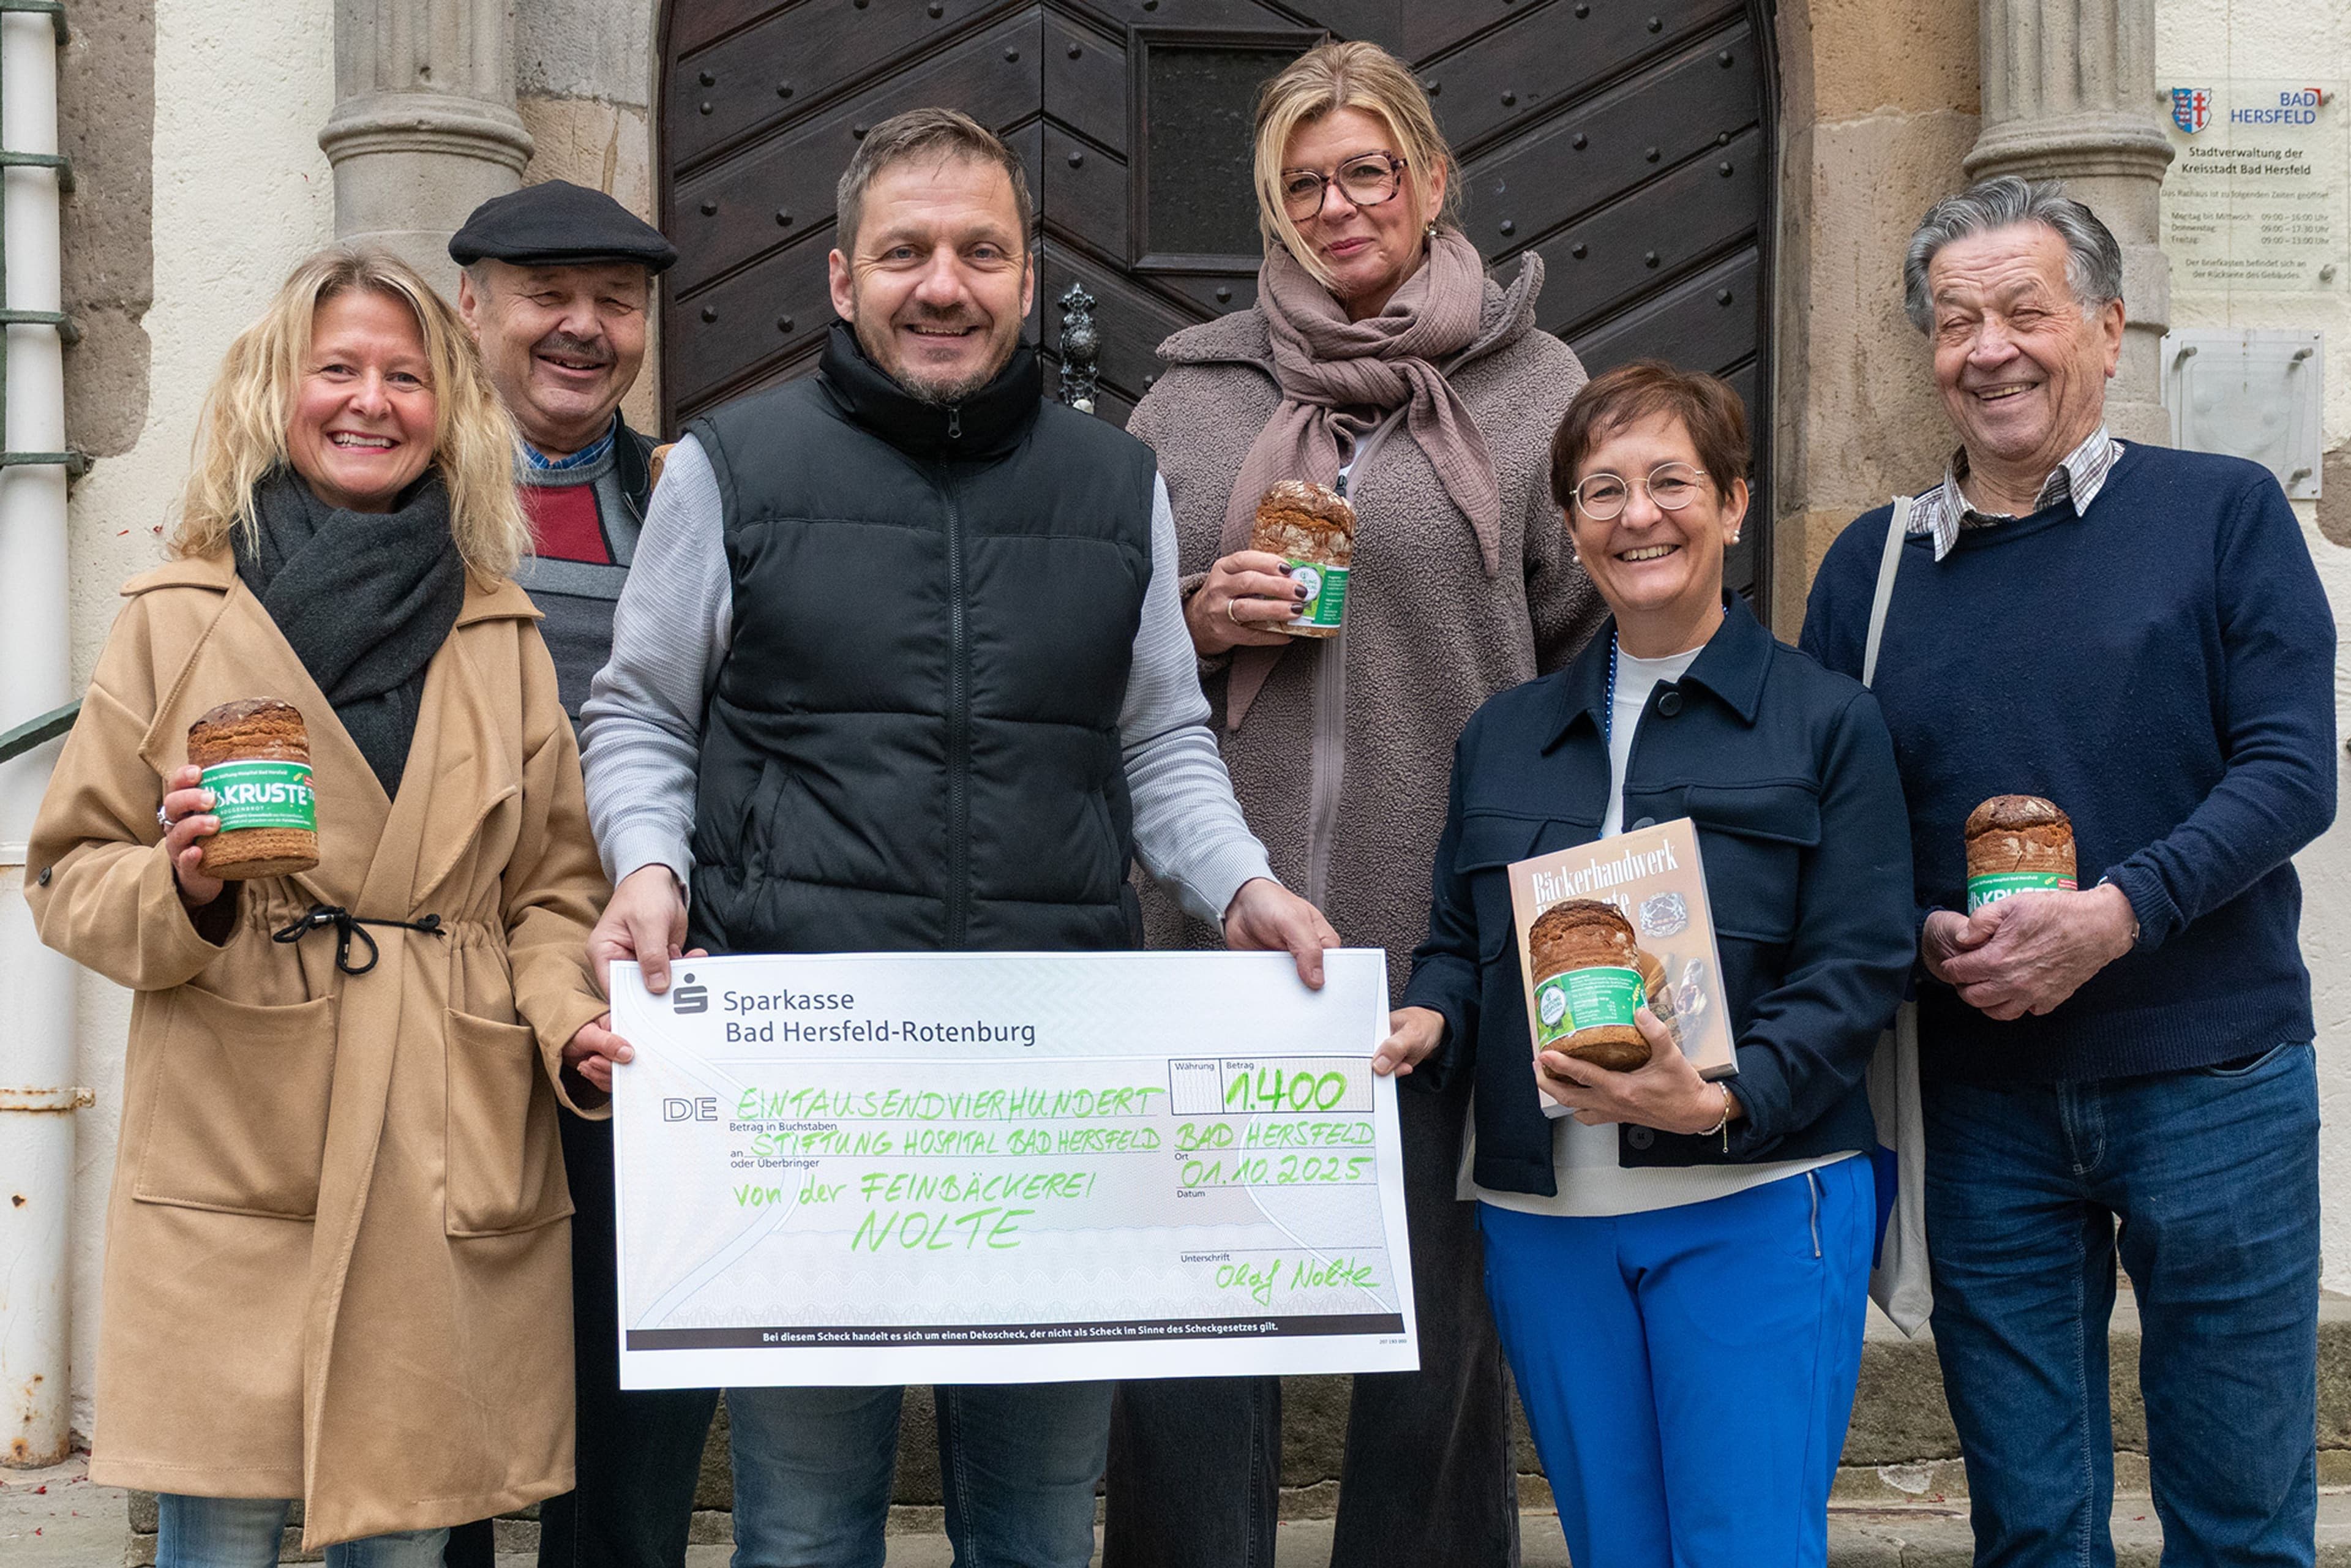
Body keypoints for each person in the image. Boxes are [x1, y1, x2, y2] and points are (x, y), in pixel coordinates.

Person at [577, 107, 1337, 1568]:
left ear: (1025, 272)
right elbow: (643, 715)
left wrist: (1243, 886)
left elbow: (1159, 737)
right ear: (842, 278)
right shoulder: (725, 470)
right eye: (908, 251)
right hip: (808, 1088)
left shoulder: (1115, 486)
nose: (946, 284)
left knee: (1043, 1532)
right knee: (802, 1531)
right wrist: (649, 869)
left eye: (981, 252)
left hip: (1051, 1093)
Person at [22, 247, 628, 1566]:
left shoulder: (498, 629)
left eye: (405, 376)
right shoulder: (177, 615)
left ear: (446, 408)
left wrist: (569, 1018)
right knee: (221, 1527)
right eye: (337, 368)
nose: (371, 401)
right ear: (275, 391)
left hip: (442, 1121)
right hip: (241, 1126)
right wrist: (181, 883)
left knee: (409, 1537)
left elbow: (551, 891)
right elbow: (69, 875)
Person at [1103, 40, 1605, 1567]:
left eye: (1367, 171)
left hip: (1438, 939)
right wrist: (1195, 614)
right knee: (1197, 1339)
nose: (1338, 206)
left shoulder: (1540, 389)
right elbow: (1103, 652)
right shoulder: (1188, 399)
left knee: (1436, 1346)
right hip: (1216, 936)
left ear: (1433, 180)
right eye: (1302, 183)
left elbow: (1589, 653)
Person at [1801, 176, 2337, 1566]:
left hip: (2212, 1074)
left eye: (2025, 312)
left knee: (2240, 1516)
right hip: (1985, 1101)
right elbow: (1835, 822)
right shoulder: (1875, 567)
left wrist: (2116, 917)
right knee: (2034, 1524)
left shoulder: (2222, 515)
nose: (1991, 348)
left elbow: (2290, 773)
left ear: (2107, 327)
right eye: (1956, 319)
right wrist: (1919, 933)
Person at [1377, 361, 1914, 1567]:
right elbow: (1461, 946)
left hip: (1758, 1202)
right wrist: (1430, 1019)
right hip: (1546, 1215)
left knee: (1746, 1549)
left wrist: (1725, 1097)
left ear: (1732, 504)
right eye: (1603, 489)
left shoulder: (1828, 723)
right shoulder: (1503, 735)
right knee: (1615, 1548)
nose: (1639, 515)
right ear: (1570, 527)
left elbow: (1862, 962)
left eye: (1672, 481)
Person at [445, 181, 716, 1568]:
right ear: (473, 308)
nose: (583, 327)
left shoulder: (680, 497)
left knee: (638, 1356)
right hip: (438, 990)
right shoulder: (403, 495)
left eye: (616, 301)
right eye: (548, 294)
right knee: (435, 1381)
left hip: (633, 985)